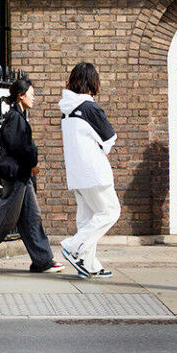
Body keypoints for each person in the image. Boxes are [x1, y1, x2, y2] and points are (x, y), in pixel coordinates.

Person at [0, 77, 64, 274]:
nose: (34, 98)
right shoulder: (15, 117)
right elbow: (19, 147)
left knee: (31, 217)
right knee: (5, 217)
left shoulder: (19, 116)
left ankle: (42, 260)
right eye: (31, 94)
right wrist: (33, 161)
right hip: (16, 175)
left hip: (22, 176)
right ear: (21, 95)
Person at [59, 62, 120, 279]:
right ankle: (73, 246)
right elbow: (109, 139)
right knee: (110, 211)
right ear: (93, 82)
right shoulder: (90, 108)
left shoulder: (66, 110)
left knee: (87, 219)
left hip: (76, 174)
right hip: (94, 172)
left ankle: (88, 264)